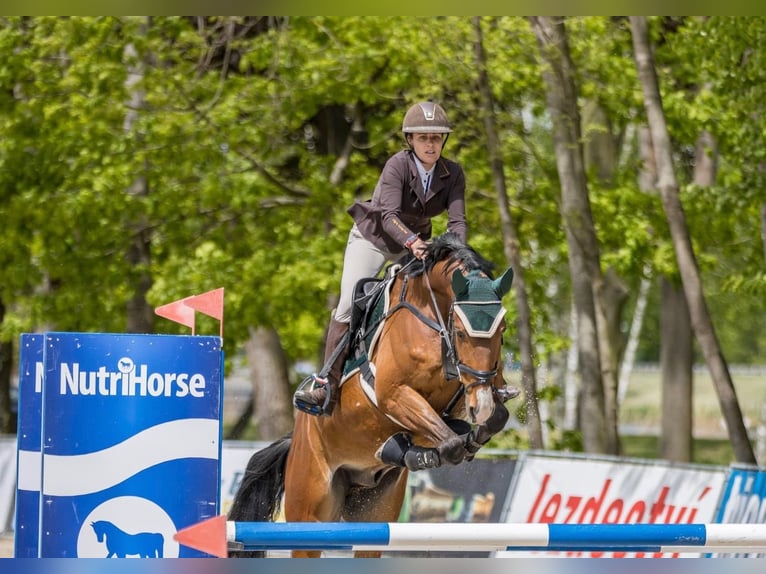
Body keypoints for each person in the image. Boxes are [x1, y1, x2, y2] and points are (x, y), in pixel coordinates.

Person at [293, 101, 468, 415]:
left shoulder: (452, 173)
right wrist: (413, 242)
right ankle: (326, 384)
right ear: (410, 140)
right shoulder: (397, 165)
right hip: (374, 239)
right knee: (348, 304)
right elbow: (388, 215)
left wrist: (459, 255)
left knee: (443, 293)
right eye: (424, 138)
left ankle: (462, 375)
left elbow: (457, 222)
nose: (431, 144)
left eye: (437, 137)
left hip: (416, 243)